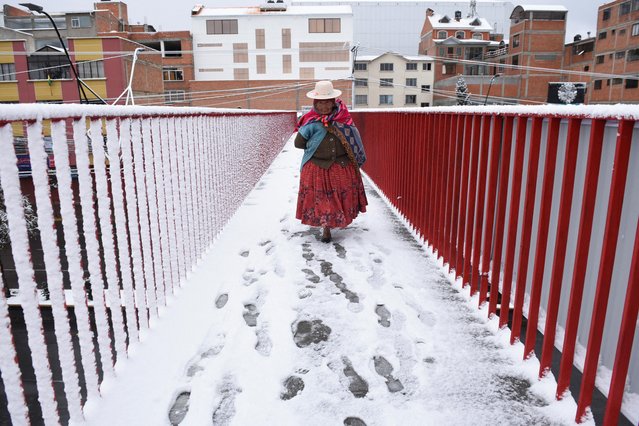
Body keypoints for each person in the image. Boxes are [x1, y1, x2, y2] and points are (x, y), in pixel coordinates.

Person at [294, 80, 368, 243]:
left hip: (341, 166)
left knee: (337, 197)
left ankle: (334, 221)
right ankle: (326, 228)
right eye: (320, 103)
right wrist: (314, 143)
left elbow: (353, 139)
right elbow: (298, 143)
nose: (324, 107)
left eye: (327, 102)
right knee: (322, 200)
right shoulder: (310, 122)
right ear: (315, 103)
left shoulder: (344, 119)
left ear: (333, 102)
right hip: (317, 167)